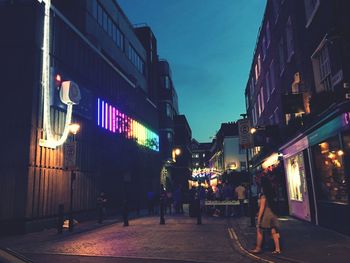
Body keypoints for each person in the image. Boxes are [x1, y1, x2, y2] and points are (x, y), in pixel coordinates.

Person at [251, 177, 281, 254]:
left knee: (259, 231)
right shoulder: (271, 193)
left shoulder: (264, 195)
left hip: (266, 215)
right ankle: (277, 249)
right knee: (274, 231)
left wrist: (258, 218)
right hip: (273, 214)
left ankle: (258, 248)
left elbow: (262, 208)